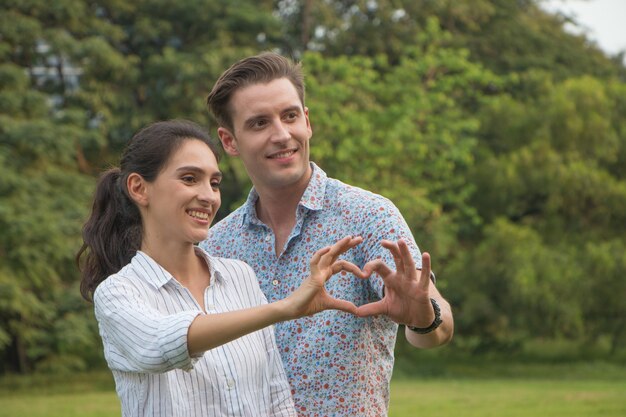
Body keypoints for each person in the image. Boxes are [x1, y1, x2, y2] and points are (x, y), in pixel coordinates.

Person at [201, 52, 455, 416]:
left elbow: (437, 326)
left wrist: (424, 317)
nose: (281, 134)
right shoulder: (216, 245)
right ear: (229, 141)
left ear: (307, 121)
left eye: (290, 116)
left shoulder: (368, 214)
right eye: (259, 123)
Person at [76, 119, 367, 417]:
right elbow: (163, 342)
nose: (208, 196)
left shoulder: (240, 277)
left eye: (214, 183)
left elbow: (277, 396)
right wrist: (285, 308)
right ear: (139, 188)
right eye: (190, 179)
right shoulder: (118, 293)